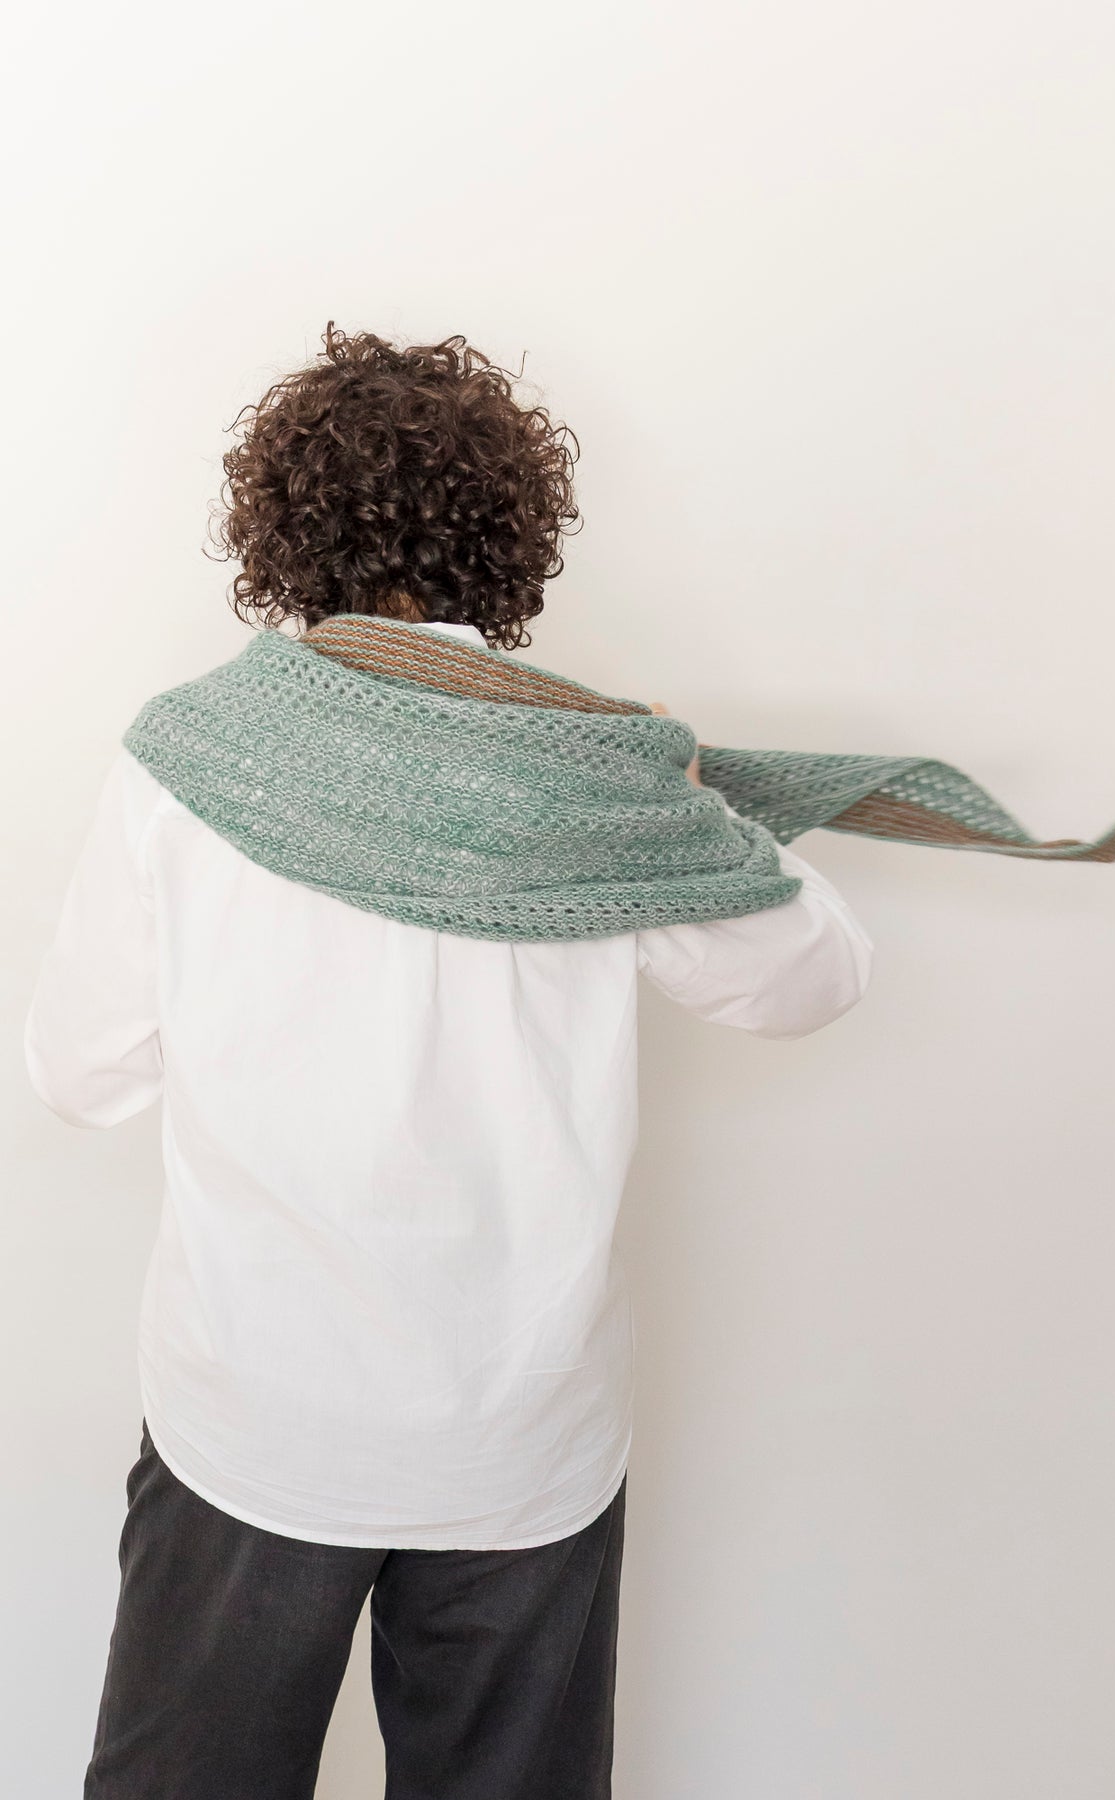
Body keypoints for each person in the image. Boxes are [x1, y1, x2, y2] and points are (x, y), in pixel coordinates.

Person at [23, 325, 875, 1800]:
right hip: (520, 1439)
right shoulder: (597, 787)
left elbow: (75, 1072)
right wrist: (680, 801)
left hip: (257, 1417)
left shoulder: (185, 759)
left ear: (282, 534)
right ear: (512, 539)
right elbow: (817, 977)